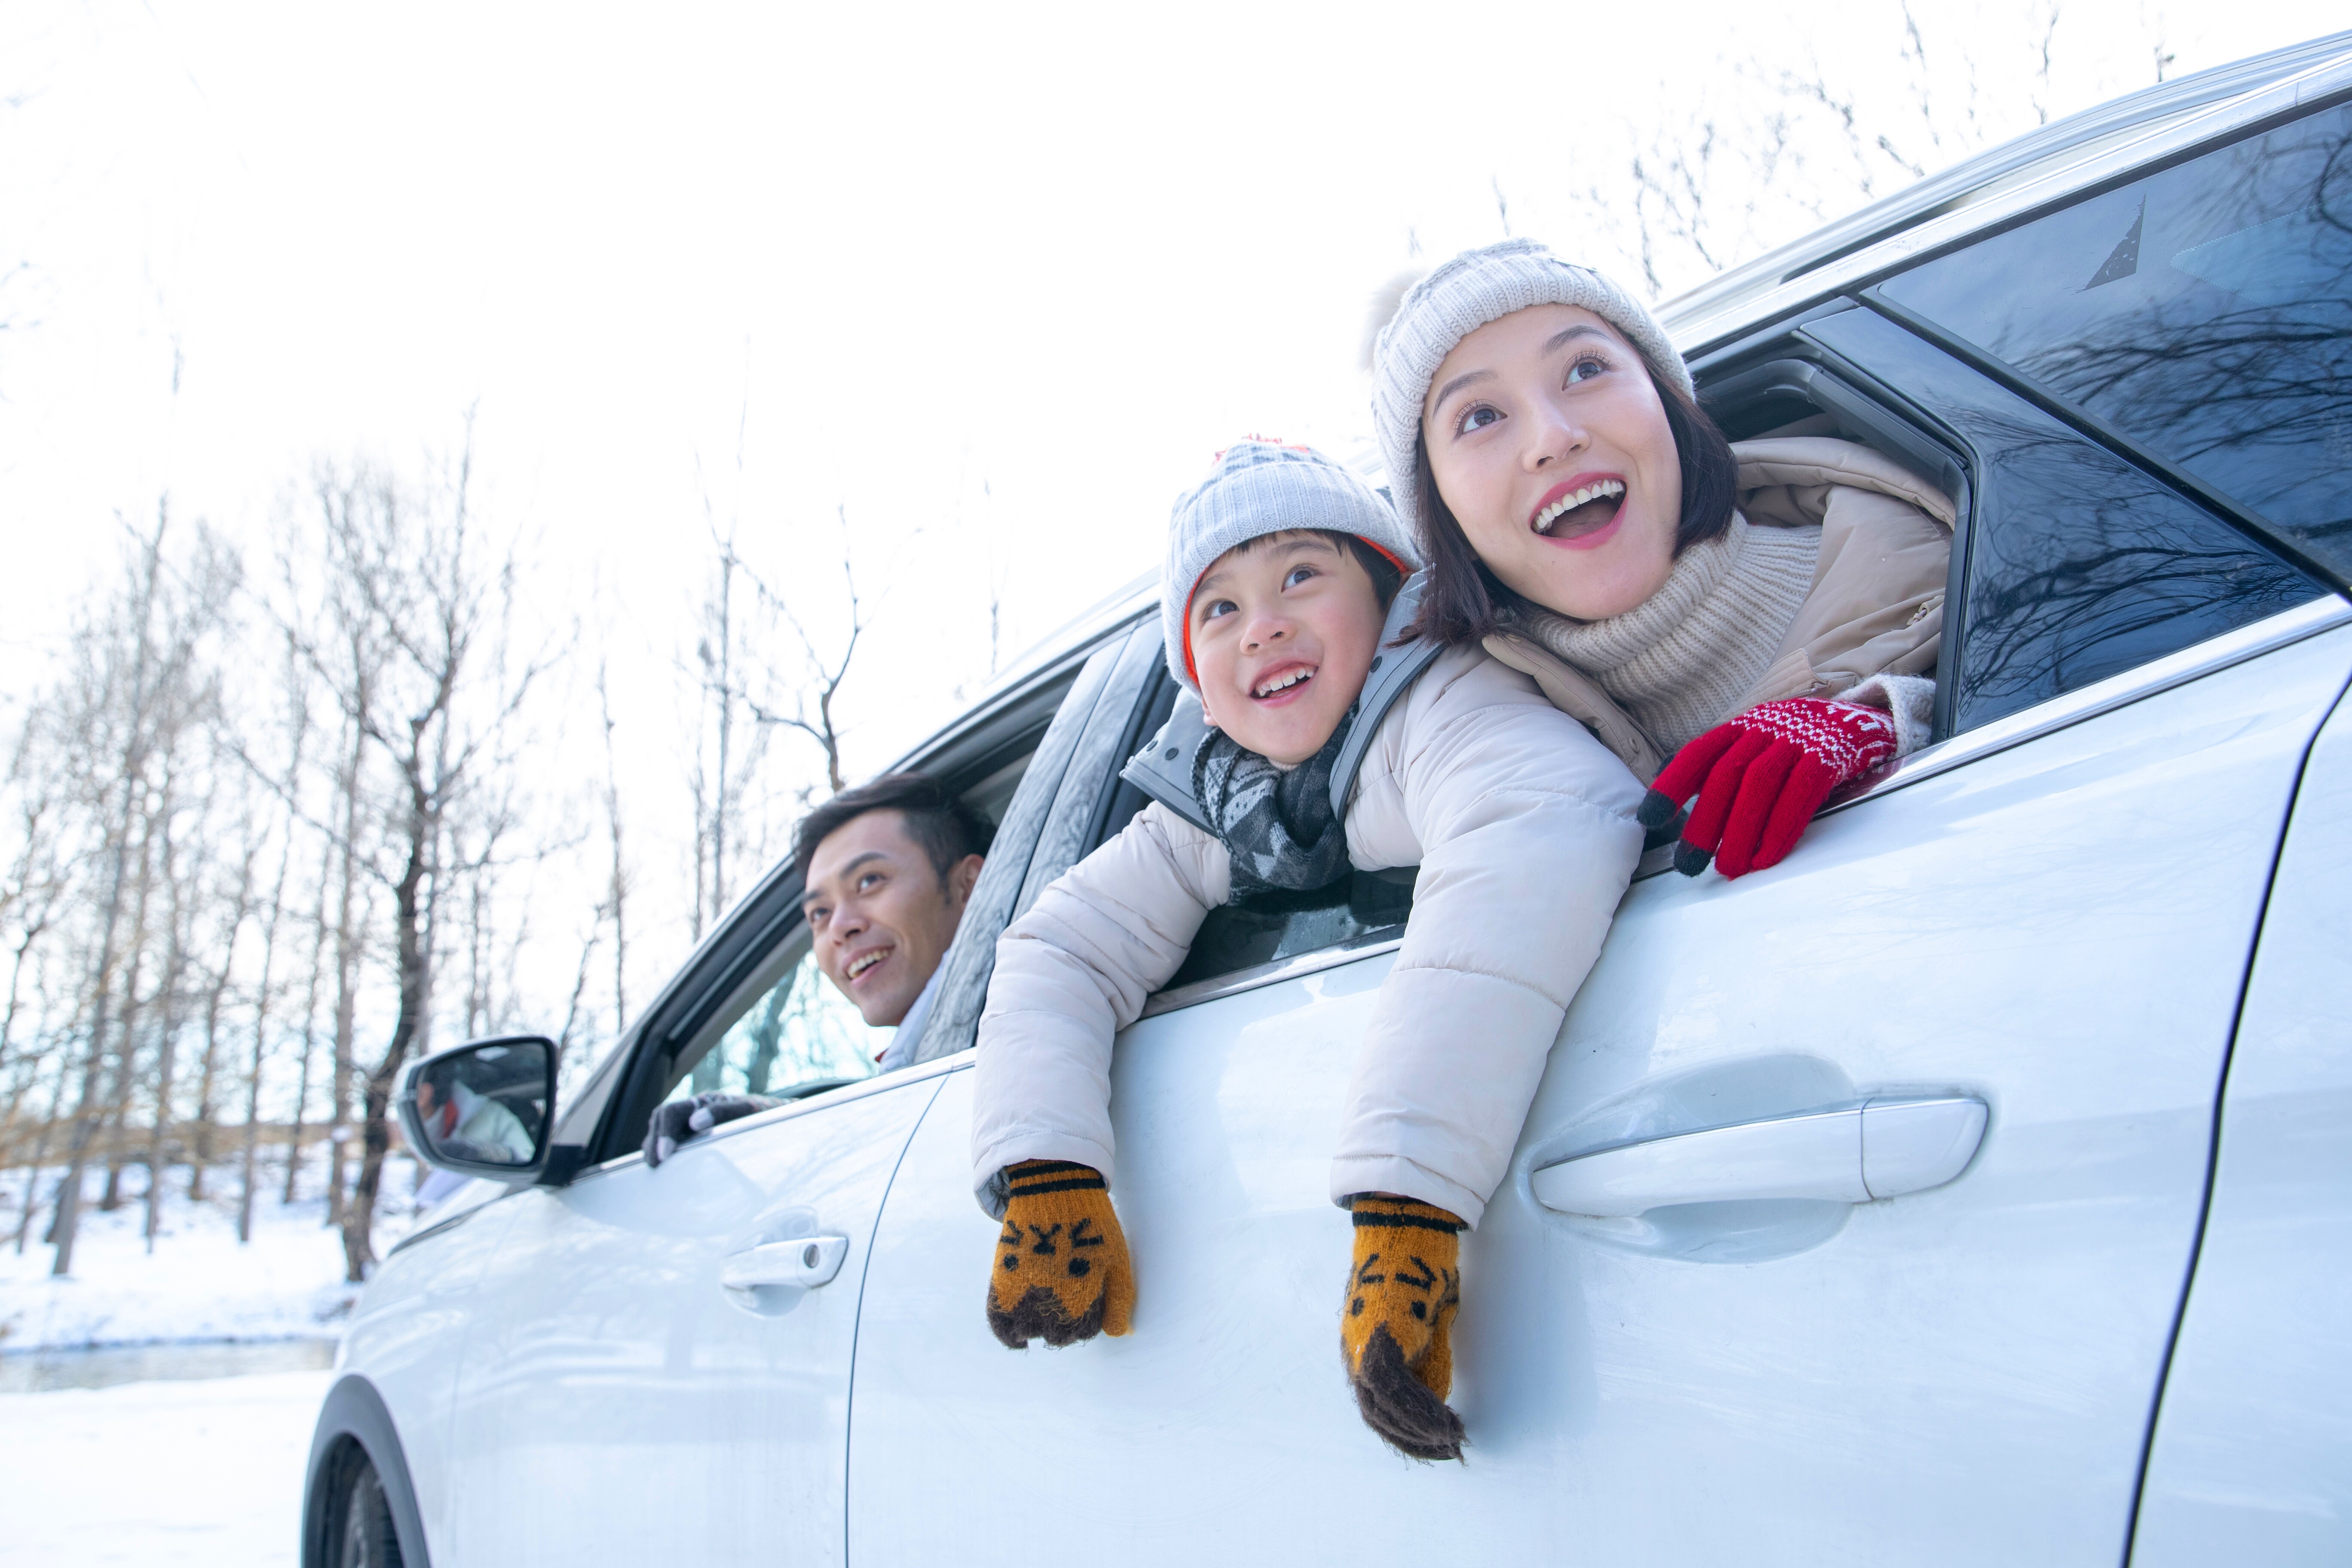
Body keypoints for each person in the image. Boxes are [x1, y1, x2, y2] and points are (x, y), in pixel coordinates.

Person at [970, 439, 1645, 1461]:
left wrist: (1405, 1205)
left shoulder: (1447, 706)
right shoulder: (1208, 802)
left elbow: (1530, 841)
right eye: (1219, 610)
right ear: (1194, 676)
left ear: (1387, 595)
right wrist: (1047, 1168)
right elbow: (1057, 949)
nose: (1264, 625)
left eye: (1298, 574)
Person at [1370, 238, 1954, 878]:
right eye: (1480, 416)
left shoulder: (1964, 552)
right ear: (1439, 509)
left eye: (1585, 370)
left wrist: (1903, 721)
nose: (1554, 437)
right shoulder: (1474, 760)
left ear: (1667, 400)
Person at [643, 773, 992, 1164]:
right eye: (819, 913)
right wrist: (772, 1119)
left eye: (869, 881)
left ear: (969, 886)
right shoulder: (932, 1067)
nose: (840, 928)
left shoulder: (1015, 1037)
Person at [412, 1066, 536, 1166]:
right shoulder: (411, 1137)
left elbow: (526, 1157)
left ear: (424, 1094)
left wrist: (481, 1153)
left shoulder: (494, 1116)